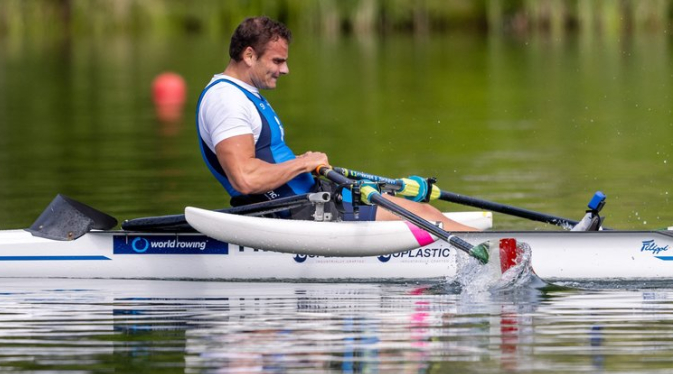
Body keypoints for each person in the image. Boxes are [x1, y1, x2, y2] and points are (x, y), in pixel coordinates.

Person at [196, 16, 474, 231]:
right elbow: (245, 178)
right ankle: (500, 252)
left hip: (311, 200)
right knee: (423, 216)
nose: (285, 70)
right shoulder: (226, 101)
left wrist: (303, 162)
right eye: (277, 61)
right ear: (249, 55)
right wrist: (303, 164)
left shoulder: (242, 94)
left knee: (422, 209)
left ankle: (497, 248)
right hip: (294, 212)